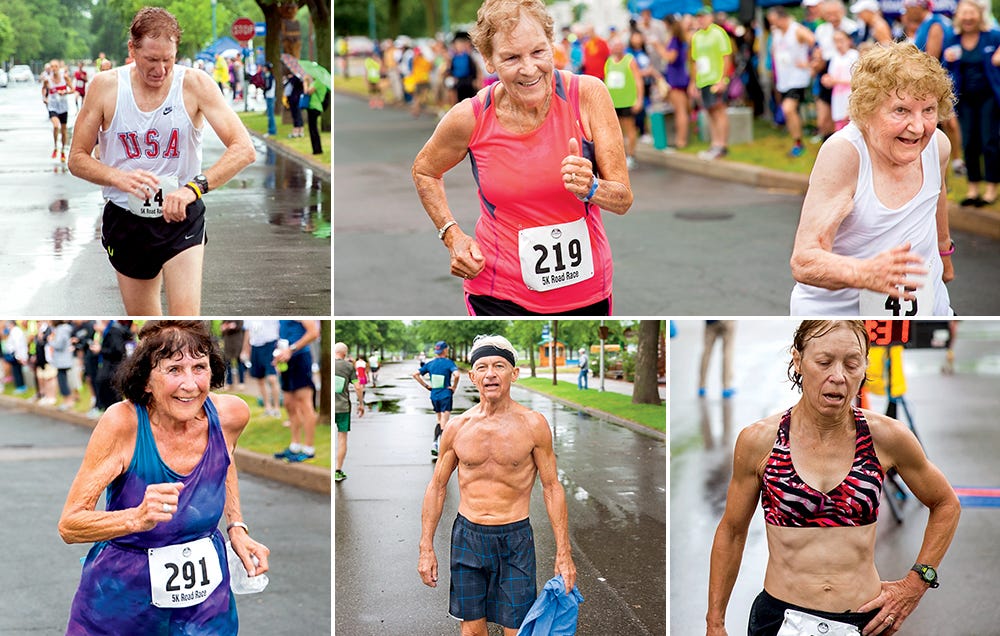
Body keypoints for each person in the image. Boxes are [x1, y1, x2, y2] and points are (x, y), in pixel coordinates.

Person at [706, 320, 960, 636]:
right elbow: (732, 531)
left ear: (865, 365)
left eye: (852, 364)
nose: (838, 376)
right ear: (798, 360)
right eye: (824, 362)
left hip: (863, 622)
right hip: (779, 619)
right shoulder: (760, 441)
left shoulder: (888, 438)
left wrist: (916, 582)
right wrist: (714, 622)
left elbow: (946, 503)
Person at [412, 0, 633, 316]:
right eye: (511, 57)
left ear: (551, 45)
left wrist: (592, 188)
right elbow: (424, 171)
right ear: (489, 60)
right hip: (497, 291)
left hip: (584, 292)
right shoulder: (471, 117)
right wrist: (452, 236)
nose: (529, 69)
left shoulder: (587, 95)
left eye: (538, 52)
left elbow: (623, 199)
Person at [59, 321, 270, 635]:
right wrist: (136, 517)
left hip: (206, 605)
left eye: (199, 367)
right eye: (174, 370)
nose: (190, 384)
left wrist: (236, 525)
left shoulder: (230, 415)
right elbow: (70, 525)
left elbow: (224, 461)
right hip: (122, 601)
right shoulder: (123, 423)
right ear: (145, 380)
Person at [67, 7, 256, 316]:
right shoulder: (106, 87)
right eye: (151, 60)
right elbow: (76, 158)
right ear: (132, 49)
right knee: (150, 328)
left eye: (169, 59)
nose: (161, 69)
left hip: (181, 214)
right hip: (127, 218)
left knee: (185, 321)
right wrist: (117, 177)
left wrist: (193, 189)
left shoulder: (195, 83)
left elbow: (243, 148)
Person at [418, 335, 577, 635]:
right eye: (483, 367)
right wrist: (425, 546)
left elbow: (552, 486)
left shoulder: (533, 424)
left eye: (499, 366)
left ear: (513, 374)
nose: (490, 373)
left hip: (514, 538)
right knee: (472, 630)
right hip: (468, 536)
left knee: (516, 630)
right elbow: (437, 487)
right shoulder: (456, 428)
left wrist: (563, 552)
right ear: (472, 375)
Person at [789, 42, 956, 316]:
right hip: (839, 321)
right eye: (901, 110)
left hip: (926, 310)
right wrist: (865, 273)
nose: (918, 127)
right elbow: (804, 260)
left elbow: (937, 192)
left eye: (928, 110)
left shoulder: (936, 145)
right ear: (867, 110)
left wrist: (943, 250)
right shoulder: (845, 153)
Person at [942, 0, 1000, 207]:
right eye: (963, 13)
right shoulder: (953, 38)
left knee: (989, 142)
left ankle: (992, 188)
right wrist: (947, 59)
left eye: (971, 13)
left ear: (980, 14)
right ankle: (973, 187)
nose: (967, 17)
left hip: (989, 98)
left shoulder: (993, 35)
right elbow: (945, 67)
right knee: (969, 143)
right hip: (964, 99)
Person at [767, 7, 815, 157]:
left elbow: (815, 43)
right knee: (789, 112)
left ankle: (798, 143)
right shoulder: (776, 33)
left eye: (775, 21)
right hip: (783, 79)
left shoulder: (797, 30)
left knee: (788, 109)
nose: (773, 24)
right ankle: (796, 139)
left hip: (797, 78)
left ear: (783, 18)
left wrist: (809, 62)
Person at [272, 320, 320, 463]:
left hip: (300, 357)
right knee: (289, 404)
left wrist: (291, 349)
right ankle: (295, 445)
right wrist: (279, 356)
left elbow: (314, 332)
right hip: (285, 360)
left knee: (304, 403)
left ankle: (309, 448)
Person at [691, 7, 733, 161]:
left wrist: (722, 79)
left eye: (703, 16)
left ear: (710, 17)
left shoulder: (718, 33)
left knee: (719, 111)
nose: (701, 19)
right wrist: (694, 82)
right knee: (709, 112)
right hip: (704, 80)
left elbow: (726, 57)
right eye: (699, 17)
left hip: (716, 79)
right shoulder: (697, 37)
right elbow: (695, 61)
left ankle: (722, 145)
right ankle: (714, 143)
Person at [412, 340, 461, 459]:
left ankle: (435, 443)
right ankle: (442, 448)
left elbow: (415, 374)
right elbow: (457, 375)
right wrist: (453, 387)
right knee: (445, 421)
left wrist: (426, 386)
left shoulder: (430, 364)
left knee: (439, 420)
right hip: (445, 394)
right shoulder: (449, 363)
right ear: (445, 350)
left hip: (434, 395)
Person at [604, 36, 644, 169]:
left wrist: (639, 99)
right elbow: (606, 81)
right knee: (616, 131)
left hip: (627, 101)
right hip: (614, 103)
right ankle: (620, 156)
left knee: (630, 129)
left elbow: (638, 80)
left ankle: (631, 155)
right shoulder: (609, 61)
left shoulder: (630, 61)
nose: (617, 48)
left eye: (619, 45)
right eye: (615, 46)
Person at [335, 342, 365, 483]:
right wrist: (361, 404)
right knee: (342, 438)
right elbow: (358, 387)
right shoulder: (348, 367)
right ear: (345, 354)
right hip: (343, 407)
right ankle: (337, 470)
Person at [241, 319, 282, 418]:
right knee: (260, 380)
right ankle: (267, 408)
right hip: (255, 346)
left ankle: (277, 408)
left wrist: (280, 347)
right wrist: (244, 349)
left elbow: (279, 327)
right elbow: (247, 331)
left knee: (272, 378)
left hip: (270, 344)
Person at [699, 320, 735, 398]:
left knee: (706, 352)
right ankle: (726, 387)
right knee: (727, 352)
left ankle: (702, 386)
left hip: (711, 321)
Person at [45, 60, 71, 162]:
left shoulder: (64, 78)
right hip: (53, 107)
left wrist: (65, 92)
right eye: (52, 66)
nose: (54, 68)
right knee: (56, 126)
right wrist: (45, 97)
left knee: (63, 131)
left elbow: (73, 89)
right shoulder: (47, 80)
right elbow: (43, 89)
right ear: (50, 68)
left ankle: (63, 150)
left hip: (63, 107)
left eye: (56, 66)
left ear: (58, 67)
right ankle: (56, 146)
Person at [302, 72, 329, 155]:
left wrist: (305, 82)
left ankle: (317, 150)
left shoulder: (318, 82)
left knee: (313, 129)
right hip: (312, 107)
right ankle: (316, 149)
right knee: (312, 129)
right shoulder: (316, 82)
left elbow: (307, 92)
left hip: (315, 107)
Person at [220, 320, 245, 391]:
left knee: (240, 363)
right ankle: (229, 382)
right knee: (227, 364)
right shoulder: (225, 319)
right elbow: (222, 328)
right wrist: (224, 327)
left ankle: (241, 382)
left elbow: (239, 326)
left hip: (237, 343)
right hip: (227, 344)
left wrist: (232, 326)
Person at [283, 70, 304, 138]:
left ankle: (297, 131)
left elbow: (295, 83)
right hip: (293, 99)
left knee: (297, 115)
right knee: (296, 115)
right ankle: (299, 131)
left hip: (295, 99)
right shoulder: (296, 78)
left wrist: (290, 78)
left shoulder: (297, 78)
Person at [261, 62, 278, 135]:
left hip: (270, 97)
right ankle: (270, 130)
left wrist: (263, 88)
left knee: (271, 115)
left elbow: (269, 86)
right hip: (268, 96)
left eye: (264, 67)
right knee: (269, 114)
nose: (263, 69)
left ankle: (272, 130)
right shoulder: (267, 76)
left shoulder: (270, 76)